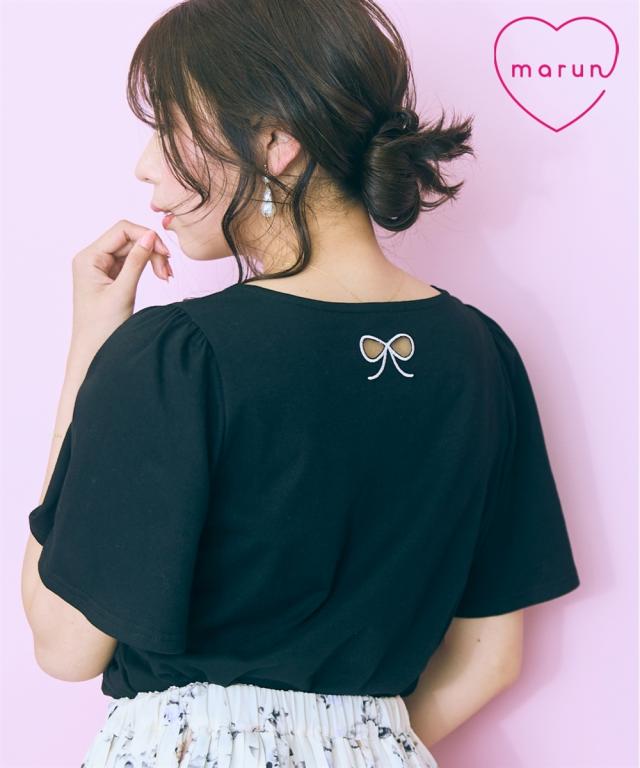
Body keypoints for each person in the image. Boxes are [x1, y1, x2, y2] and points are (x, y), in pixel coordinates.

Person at [21, 0, 581, 766]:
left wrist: (93, 347)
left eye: (170, 128)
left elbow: (64, 644)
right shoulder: (482, 353)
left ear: (275, 143)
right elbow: (490, 658)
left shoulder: (177, 356)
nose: (145, 165)